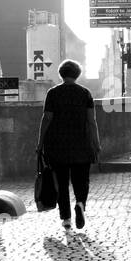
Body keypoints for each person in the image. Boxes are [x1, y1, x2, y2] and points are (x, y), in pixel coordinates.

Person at [37, 59, 100, 230]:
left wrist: (40, 143)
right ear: (77, 74)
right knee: (82, 181)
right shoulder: (85, 93)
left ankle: (66, 218)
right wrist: (96, 142)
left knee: (62, 183)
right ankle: (80, 204)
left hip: (57, 146)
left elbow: (47, 119)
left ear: (61, 73)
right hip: (82, 145)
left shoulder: (53, 93)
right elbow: (91, 121)